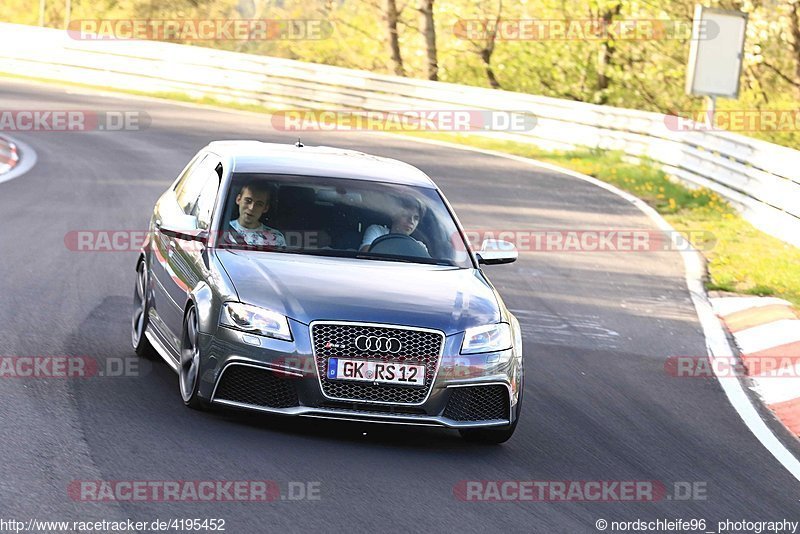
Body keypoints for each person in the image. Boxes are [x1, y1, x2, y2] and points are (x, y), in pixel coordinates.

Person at [225, 182, 286, 248]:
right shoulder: (221, 231)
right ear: (238, 199)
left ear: (265, 208)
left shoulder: (276, 238)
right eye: (248, 201)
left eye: (259, 204)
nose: (251, 208)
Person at [360, 196, 426, 252]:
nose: (411, 221)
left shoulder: (419, 247)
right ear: (394, 216)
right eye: (405, 215)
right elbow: (365, 253)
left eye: (416, 218)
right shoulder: (377, 231)